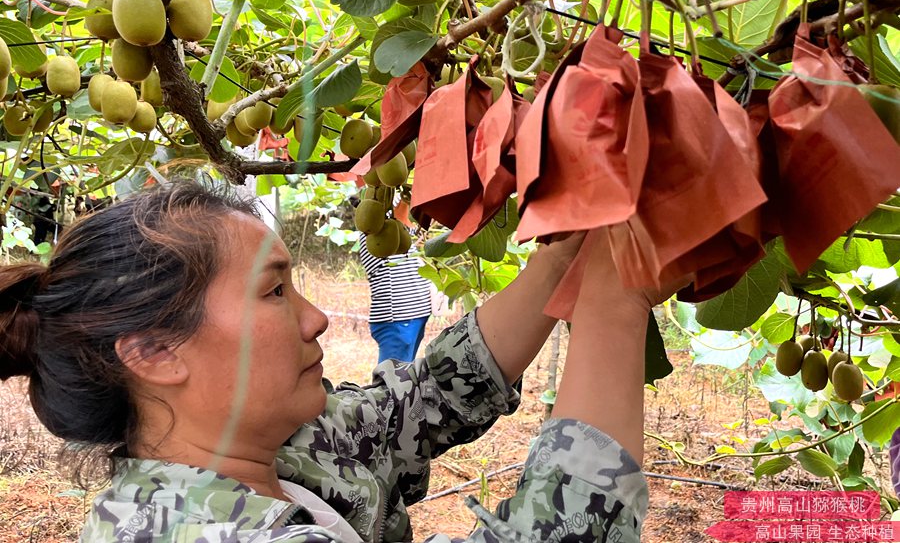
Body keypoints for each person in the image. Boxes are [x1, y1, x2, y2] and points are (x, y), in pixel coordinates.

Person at [0, 180, 680, 542]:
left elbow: (422, 404)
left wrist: (571, 253)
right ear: (153, 351)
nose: (317, 317)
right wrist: (618, 300)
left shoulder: (276, 450)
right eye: (272, 291)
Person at [357, 230, 432, 364]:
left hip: (412, 316)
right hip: (398, 318)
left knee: (403, 377)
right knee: (392, 380)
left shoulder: (396, 228)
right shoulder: (377, 226)